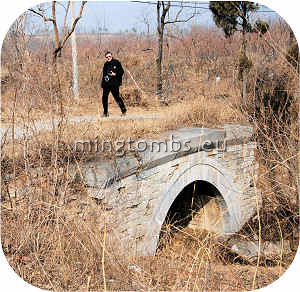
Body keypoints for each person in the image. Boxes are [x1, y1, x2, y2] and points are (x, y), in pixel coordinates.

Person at [101, 51, 127, 117]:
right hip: (106, 84)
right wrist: (103, 83)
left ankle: (123, 110)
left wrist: (114, 74)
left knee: (117, 97)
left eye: (109, 56)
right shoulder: (105, 64)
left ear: (111, 56)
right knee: (104, 98)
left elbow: (122, 71)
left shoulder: (116, 62)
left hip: (114, 83)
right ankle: (105, 113)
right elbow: (104, 74)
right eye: (107, 57)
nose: (108, 58)